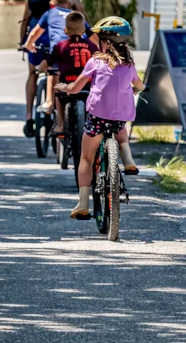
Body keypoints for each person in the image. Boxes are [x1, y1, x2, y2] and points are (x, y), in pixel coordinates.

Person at [55, 16, 142, 220]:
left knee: (86, 158)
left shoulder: (95, 61)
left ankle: (83, 203)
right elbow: (139, 85)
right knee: (119, 125)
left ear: (104, 42)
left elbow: (76, 86)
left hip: (97, 118)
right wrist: (141, 89)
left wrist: (66, 88)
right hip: (120, 119)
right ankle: (128, 159)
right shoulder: (129, 65)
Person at [18, 0, 84, 137]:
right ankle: (61, 110)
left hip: (37, 33)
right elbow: (81, 16)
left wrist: (23, 43)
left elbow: (26, 18)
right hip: (62, 36)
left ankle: (29, 117)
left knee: (33, 73)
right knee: (58, 69)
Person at [22, 0, 97, 128]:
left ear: (51, 3)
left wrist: (27, 45)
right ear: (69, 3)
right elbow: (93, 37)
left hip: (60, 49)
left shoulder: (49, 13)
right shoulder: (75, 17)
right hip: (79, 49)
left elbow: (35, 33)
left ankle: (51, 104)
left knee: (53, 70)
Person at [46, 11, 98, 136]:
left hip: (67, 85)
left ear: (65, 31)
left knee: (58, 92)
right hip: (87, 85)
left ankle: (61, 124)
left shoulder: (61, 46)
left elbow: (48, 63)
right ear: (84, 31)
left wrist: (41, 68)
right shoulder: (91, 45)